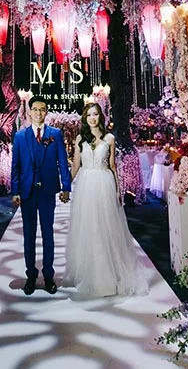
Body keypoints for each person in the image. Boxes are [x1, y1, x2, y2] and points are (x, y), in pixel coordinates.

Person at [65, 102, 150, 297]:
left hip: (104, 182)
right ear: (85, 119)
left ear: (100, 117)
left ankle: (108, 273)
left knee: (106, 226)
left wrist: (118, 190)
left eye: (95, 114)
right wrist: (66, 186)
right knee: (88, 226)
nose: (93, 118)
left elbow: (112, 166)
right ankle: (88, 271)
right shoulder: (80, 139)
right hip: (86, 183)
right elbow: (76, 165)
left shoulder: (109, 138)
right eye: (89, 115)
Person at [11, 97, 71, 295]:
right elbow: (16, 167)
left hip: (47, 191)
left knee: (48, 234)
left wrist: (66, 187)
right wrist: (15, 191)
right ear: (30, 111)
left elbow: (62, 161)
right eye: (35, 109)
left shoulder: (56, 134)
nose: (38, 113)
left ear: (46, 112)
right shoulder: (20, 136)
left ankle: (48, 275)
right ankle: (30, 275)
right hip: (27, 192)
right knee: (29, 235)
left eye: (42, 109)